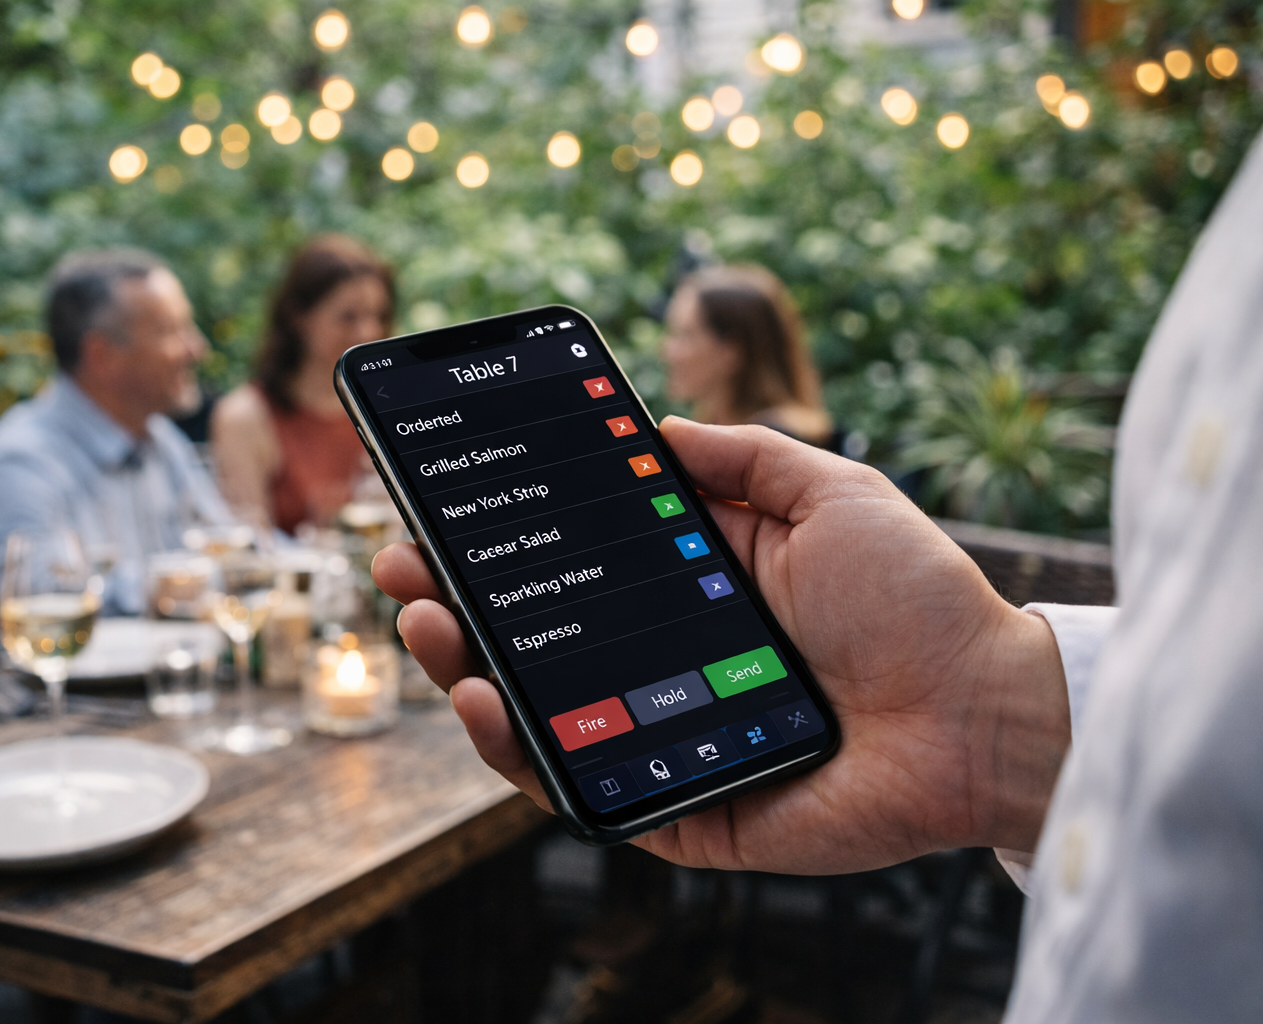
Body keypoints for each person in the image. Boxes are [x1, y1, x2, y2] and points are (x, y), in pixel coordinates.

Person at [375, 137, 1263, 1019]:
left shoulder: (771, 434)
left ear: (728, 345)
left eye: (684, 331)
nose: (673, 346)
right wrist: (1003, 711)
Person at [0, 249, 230, 656]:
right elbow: (40, 605)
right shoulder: (18, 461)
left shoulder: (161, 440)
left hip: (142, 698)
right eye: (171, 331)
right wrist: (169, 586)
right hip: (12, 709)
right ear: (101, 356)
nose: (196, 348)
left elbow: (227, 547)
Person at [209, 235, 395, 534]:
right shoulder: (245, 416)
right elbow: (250, 541)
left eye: (378, 315)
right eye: (348, 317)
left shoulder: (389, 405)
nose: (368, 332)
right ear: (299, 317)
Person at [661, 264, 835, 448]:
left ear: (731, 351)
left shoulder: (777, 443)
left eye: (685, 335)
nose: (667, 351)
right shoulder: (719, 429)